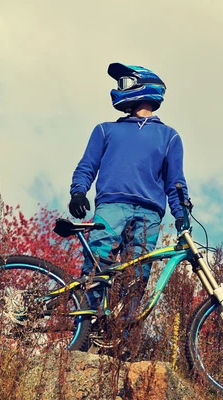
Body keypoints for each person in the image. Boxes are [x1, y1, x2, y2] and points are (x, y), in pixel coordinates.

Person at [68, 62, 189, 311]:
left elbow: (175, 182)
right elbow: (87, 166)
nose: (117, 89)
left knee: (136, 279)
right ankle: (85, 328)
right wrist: (78, 191)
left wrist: (181, 214)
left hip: (149, 215)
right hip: (111, 206)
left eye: (124, 83)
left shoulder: (169, 136)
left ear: (143, 88)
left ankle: (119, 341)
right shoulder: (105, 130)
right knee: (97, 267)